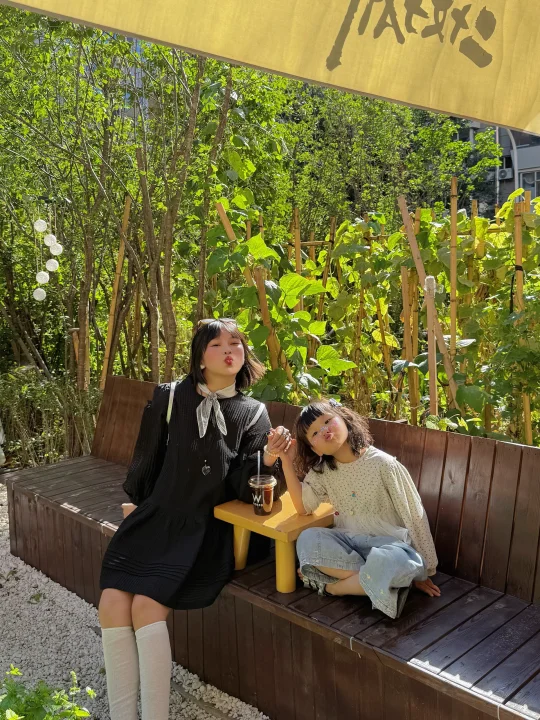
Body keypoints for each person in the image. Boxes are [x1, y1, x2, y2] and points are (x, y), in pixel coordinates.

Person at [98, 318, 292, 720]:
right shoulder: (170, 396)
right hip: (157, 518)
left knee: (147, 605)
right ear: (200, 357)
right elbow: (146, 459)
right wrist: (137, 506)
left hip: (205, 528)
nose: (229, 350)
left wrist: (270, 457)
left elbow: (246, 486)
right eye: (217, 344)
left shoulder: (253, 412)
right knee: (112, 601)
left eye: (235, 344)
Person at [274, 399, 440, 620]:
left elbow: (414, 515)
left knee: (397, 562)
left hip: (390, 548)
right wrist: (286, 461)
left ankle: (334, 587)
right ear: (314, 449)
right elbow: (303, 507)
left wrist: (425, 570)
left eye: (327, 421)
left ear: (344, 418)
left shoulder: (384, 464)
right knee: (307, 539)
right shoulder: (323, 472)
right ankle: (380, 582)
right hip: (349, 545)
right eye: (314, 433)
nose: (324, 431)